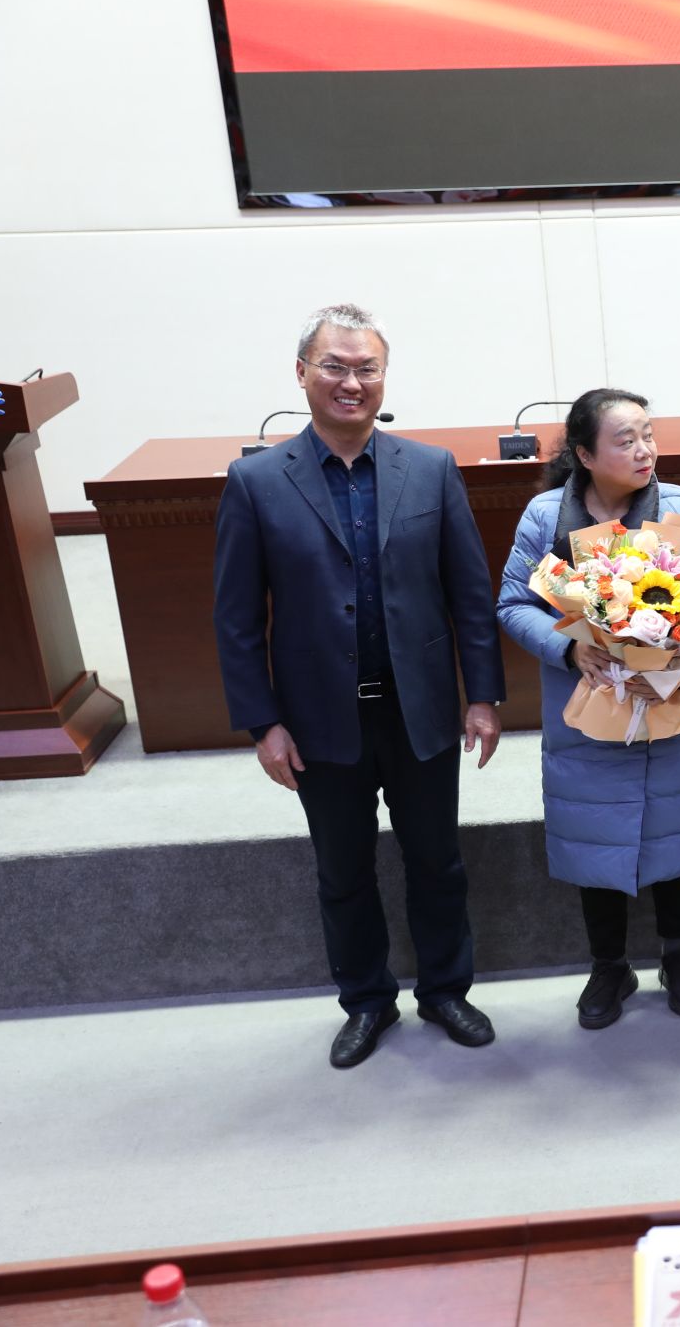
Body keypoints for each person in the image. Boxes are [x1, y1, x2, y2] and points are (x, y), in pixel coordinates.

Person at [213, 304, 506, 1068]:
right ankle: (368, 1001)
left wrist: (482, 695)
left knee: (437, 862)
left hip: (421, 711)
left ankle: (445, 989)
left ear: (384, 376)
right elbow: (236, 619)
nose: (352, 382)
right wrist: (262, 723)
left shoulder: (431, 468)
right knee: (342, 872)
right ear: (302, 372)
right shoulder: (256, 481)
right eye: (335, 366)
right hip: (318, 720)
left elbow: (469, 593)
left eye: (366, 368)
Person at [495, 388, 680, 1025]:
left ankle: (679, 955)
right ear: (584, 454)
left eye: (648, 435)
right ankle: (609, 966)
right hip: (588, 705)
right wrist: (568, 648)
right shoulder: (547, 516)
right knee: (594, 835)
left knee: (678, 828)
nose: (643, 450)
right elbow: (514, 604)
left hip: (672, 701)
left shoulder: (678, 504)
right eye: (625, 440)